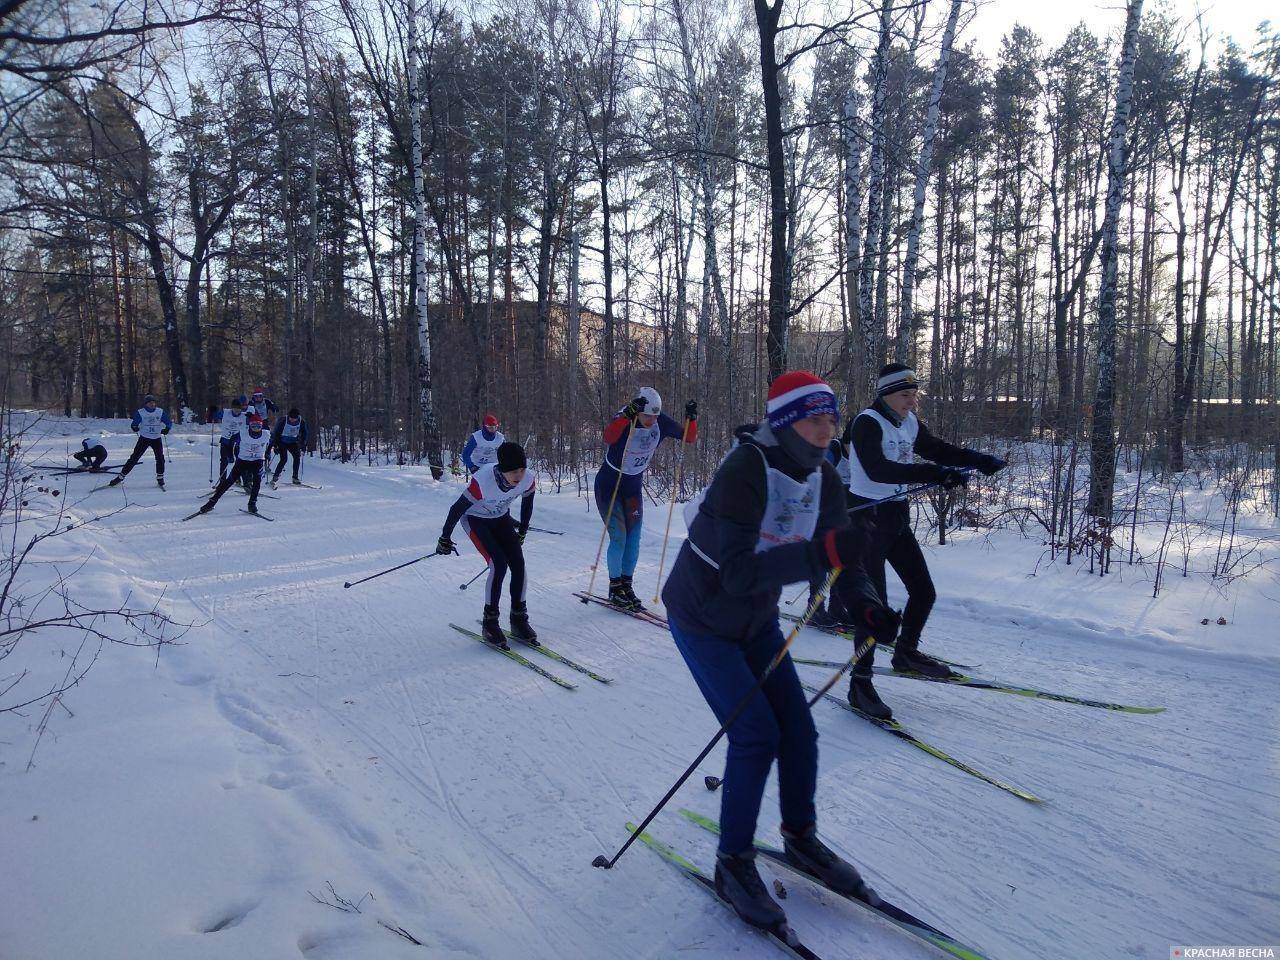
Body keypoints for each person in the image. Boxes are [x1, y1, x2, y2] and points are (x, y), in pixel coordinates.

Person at [661, 370, 898, 932]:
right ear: (787, 422)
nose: (826, 429)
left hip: (758, 617)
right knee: (756, 734)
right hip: (703, 617)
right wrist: (821, 555)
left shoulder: (825, 476)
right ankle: (733, 863)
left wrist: (863, 605)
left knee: (798, 729)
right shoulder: (745, 469)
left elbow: (844, 555)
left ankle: (800, 838)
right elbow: (740, 573)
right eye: (815, 418)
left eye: (832, 417)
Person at [837, 362, 1007, 720]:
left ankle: (906, 653)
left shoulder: (909, 421)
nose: (912, 402)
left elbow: (936, 449)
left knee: (923, 590)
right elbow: (877, 470)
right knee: (876, 608)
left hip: (895, 515)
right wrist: (933, 474)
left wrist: (978, 461)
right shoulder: (867, 422)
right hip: (866, 517)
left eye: (915, 395)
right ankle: (860, 683)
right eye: (905, 395)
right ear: (886, 395)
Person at [593, 387, 697, 610]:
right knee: (619, 537)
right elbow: (609, 436)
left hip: (632, 488)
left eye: (655, 416)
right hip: (609, 486)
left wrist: (691, 418)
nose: (651, 420)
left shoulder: (661, 422)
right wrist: (628, 415)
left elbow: (689, 437)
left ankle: (626, 585)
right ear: (638, 411)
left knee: (633, 539)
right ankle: (614, 587)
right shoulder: (626, 415)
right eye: (647, 416)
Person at [437, 441, 537, 650]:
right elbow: (456, 509)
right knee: (498, 565)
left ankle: (518, 619)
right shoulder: (482, 482)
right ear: (501, 469)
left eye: (521, 469)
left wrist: (523, 530)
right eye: (513, 471)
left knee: (518, 565)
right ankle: (490, 623)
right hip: (476, 520)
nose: (518, 475)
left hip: (500, 518)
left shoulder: (527, 479)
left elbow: (528, 504)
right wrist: (444, 538)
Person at [201, 416, 271, 514]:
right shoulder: (243, 434)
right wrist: (230, 455)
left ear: (261, 426)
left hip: (257, 461)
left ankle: (252, 504)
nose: (256, 429)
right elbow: (230, 442)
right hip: (243, 460)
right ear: (249, 426)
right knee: (229, 482)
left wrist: (268, 452)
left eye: (258, 426)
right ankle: (211, 503)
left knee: (257, 481)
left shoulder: (266, 434)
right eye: (253, 426)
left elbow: (272, 442)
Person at [110, 395, 171, 488]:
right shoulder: (141, 412)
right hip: (144, 438)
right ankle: (120, 477)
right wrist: (134, 427)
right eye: (150, 403)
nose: (153, 404)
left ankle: (160, 478)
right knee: (134, 458)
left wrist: (167, 428)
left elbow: (168, 422)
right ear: (146, 404)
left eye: (154, 402)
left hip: (156, 438)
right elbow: (134, 423)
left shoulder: (160, 412)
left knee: (160, 458)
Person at [270, 408, 309, 486]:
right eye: (291, 418)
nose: (293, 420)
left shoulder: (301, 422)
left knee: (297, 457)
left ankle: (295, 477)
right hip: (282, 442)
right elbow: (276, 433)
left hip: (293, 442)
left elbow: (304, 433)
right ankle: (275, 477)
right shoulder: (283, 421)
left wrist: (303, 445)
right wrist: (275, 445)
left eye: (295, 419)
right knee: (284, 459)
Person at [215, 397, 248, 482]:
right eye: (235, 409)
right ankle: (222, 482)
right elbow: (216, 415)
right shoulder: (226, 413)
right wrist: (214, 414)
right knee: (224, 461)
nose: (237, 411)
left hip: (237, 442)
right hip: (225, 440)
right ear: (232, 408)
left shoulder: (244, 416)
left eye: (239, 409)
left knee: (241, 460)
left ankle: (244, 481)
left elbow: (254, 421)